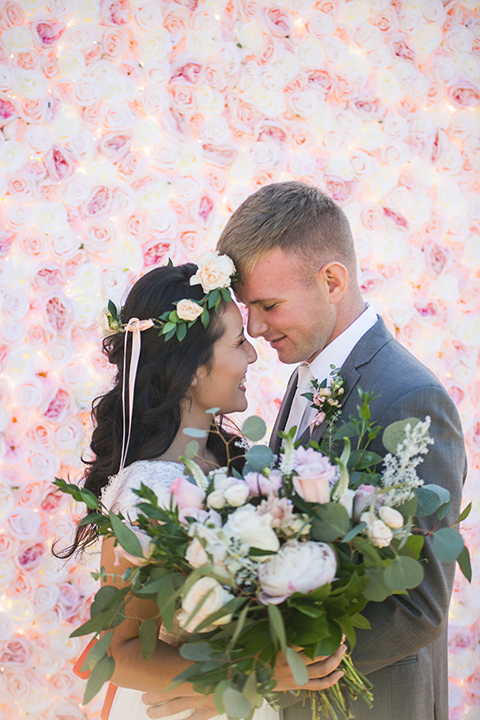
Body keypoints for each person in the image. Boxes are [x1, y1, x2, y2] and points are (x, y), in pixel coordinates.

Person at [144, 182, 466, 720]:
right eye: (248, 307)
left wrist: (259, 673)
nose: (256, 327)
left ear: (333, 280)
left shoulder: (412, 399)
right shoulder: (304, 375)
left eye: (269, 305)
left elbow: (418, 606)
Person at [61, 261, 345, 720]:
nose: (253, 356)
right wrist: (259, 674)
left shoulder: (232, 460)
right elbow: (115, 652)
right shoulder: (144, 491)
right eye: (237, 342)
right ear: (192, 370)